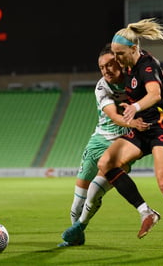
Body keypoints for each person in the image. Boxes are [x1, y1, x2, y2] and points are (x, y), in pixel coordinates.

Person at [65, 18, 163, 254]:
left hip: (162, 127)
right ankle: (146, 212)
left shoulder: (146, 65)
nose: (117, 59)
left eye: (120, 54)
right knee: (107, 162)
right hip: (140, 128)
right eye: (114, 54)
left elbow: (154, 93)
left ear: (134, 49)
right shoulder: (126, 68)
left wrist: (135, 108)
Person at [59, 44, 150, 247]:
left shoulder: (135, 81)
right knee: (77, 202)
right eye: (102, 67)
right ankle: (77, 237)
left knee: (94, 190)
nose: (106, 70)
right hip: (98, 142)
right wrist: (131, 122)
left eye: (110, 64)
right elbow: (114, 116)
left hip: (123, 145)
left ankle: (81, 226)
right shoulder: (102, 87)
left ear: (120, 62)